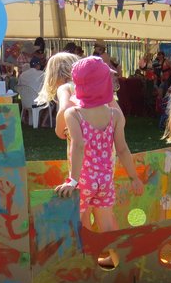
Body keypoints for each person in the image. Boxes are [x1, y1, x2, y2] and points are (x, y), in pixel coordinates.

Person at [54, 56, 144, 237]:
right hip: (105, 179)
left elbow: (78, 146)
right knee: (107, 225)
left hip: (83, 180)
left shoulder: (74, 114)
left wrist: (73, 180)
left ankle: (87, 262)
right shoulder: (114, 115)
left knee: (81, 226)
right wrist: (134, 177)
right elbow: (123, 150)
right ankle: (115, 259)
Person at [35, 52, 79, 140]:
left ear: (53, 75)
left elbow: (65, 108)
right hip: (103, 142)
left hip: (80, 142)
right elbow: (113, 108)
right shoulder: (90, 86)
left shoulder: (66, 88)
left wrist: (60, 130)